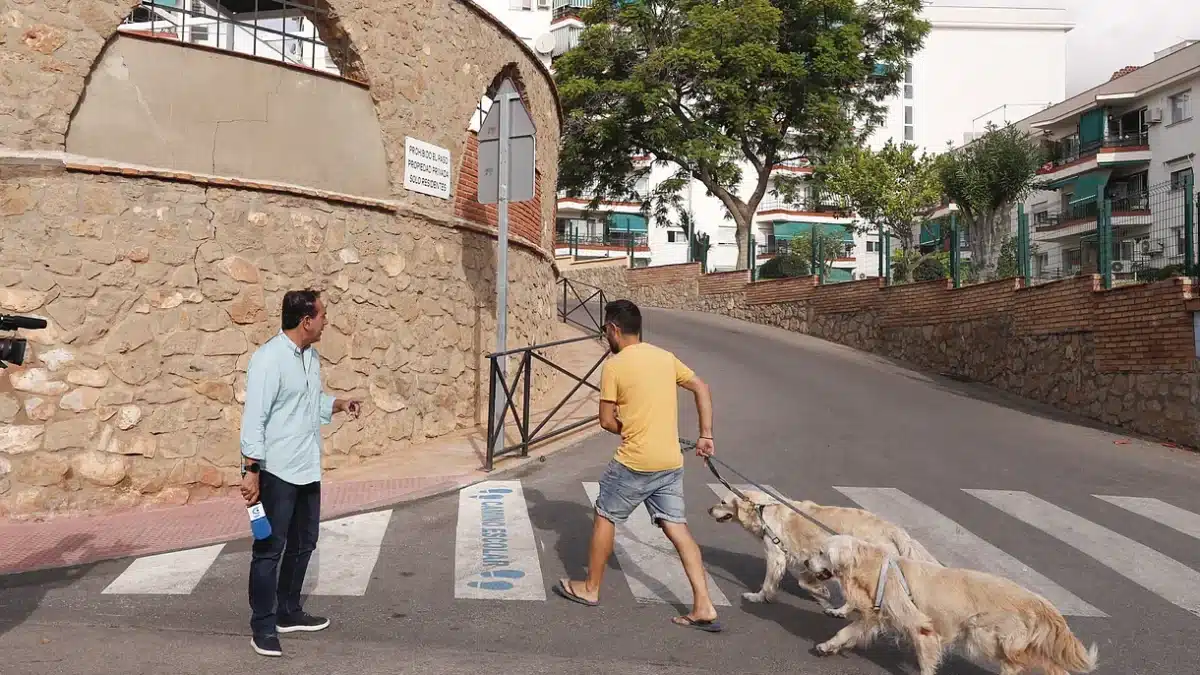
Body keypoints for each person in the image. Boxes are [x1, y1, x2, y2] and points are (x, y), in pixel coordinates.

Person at [553, 298, 722, 632]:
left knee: (605, 515)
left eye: (605, 330)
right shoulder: (665, 357)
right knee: (677, 528)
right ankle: (703, 604)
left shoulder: (614, 366)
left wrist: (626, 427)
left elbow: (605, 421)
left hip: (636, 461)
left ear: (615, 329)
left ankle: (590, 588)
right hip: (670, 461)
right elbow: (701, 387)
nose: (605, 336)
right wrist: (706, 435)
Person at [239, 289, 362, 657]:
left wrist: (337, 404)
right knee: (269, 550)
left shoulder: (311, 357)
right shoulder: (268, 359)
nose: (326, 321)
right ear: (305, 321)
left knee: (305, 542)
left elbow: (308, 404)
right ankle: (262, 625)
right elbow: (254, 418)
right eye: (322, 315)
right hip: (276, 470)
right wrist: (250, 471)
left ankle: (288, 611)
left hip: (307, 466)